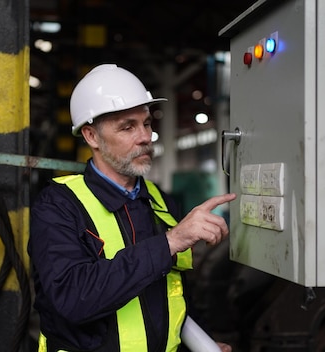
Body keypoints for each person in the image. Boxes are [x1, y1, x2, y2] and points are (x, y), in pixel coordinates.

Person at [28, 63, 236, 352]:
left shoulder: (160, 201)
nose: (145, 137)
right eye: (128, 127)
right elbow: (73, 299)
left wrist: (201, 344)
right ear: (91, 136)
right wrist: (170, 242)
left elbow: (171, 294)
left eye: (147, 123)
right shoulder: (58, 206)